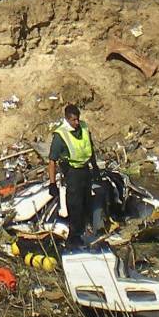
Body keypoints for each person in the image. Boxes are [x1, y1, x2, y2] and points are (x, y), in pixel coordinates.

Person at [48, 105, 97, 246]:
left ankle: (85, 233)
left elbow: (90, 148)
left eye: (78, 119)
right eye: (73, 120)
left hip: (85, 170)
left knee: (87, 202)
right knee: (75, 205)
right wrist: (52, 184)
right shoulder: (61, 135)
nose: (76, 123)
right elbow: (52, 161)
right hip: (72, 172)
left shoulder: (83, 127)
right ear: (67, 119)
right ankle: (73, 238)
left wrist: (95, 168)